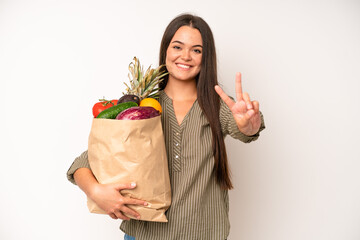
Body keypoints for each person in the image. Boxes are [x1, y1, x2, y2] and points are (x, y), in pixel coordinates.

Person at [67, 13, 265, 240]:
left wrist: (249, 125)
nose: (186, 56)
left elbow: (245, 130)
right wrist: (95, 191)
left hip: (204, 234)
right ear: (166, 50)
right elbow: (86, 161)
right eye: (177, 47)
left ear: (206, 57)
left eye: (197, 50)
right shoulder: (140, 108)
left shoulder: (218, 105)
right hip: (144, 235)